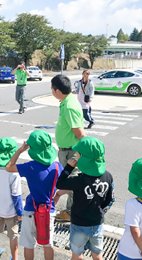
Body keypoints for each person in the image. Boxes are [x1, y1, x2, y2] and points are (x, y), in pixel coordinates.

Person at [6, 130, 64, 260]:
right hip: (49, 210)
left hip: (31, 209)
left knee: (29, 244)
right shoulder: (57, 166)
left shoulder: (30, 166)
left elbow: (9, 167)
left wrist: (20, 150)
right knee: (48, 244)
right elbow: (66, 187)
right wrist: (57, 196)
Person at [55, 137, 114, 260]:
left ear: (82, 157)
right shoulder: (108, 176)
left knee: (77, 255)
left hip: (79, 223)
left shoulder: (79, 180)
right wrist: (101, 212)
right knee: (97, 255)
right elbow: (110, 200)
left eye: (77, 153)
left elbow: (59, 184)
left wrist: (68, 168)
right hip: (97, 222)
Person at [50, 74, 86, 222]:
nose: (51, 91)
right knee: (71, 181)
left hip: (71, 151)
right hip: (67, 150)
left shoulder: (69, 106)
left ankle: (71, 213)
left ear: (58, 91)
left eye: (52, 89)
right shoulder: (67, 101)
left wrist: (83, 152)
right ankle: (72, 211)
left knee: (73, 182)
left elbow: (79, 133)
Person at [0, 137, 23, 260]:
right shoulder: (14, 173)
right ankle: (14, 257)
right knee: (13, 235)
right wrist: (20, 212)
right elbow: (16, 195)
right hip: (10, 211)